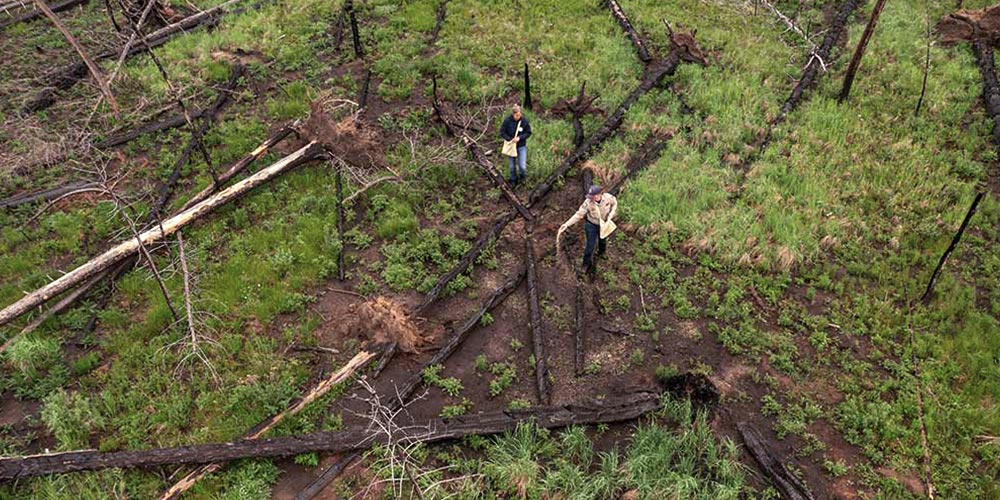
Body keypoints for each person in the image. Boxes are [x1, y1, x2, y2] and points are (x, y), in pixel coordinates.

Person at [557, 185, 617, 277]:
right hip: (591, 225)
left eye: (593, 196)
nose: (591, 198)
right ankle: (586, 264)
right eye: (590, 196)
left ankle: (602, 253)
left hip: (604, 224)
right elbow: (579, 215)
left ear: (599, 194)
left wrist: (611, 214)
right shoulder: (587, 203)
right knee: (590, 245)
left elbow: (615, 203)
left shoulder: (608, 198)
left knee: (603, 240)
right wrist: (567, 224)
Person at [499, 104, 532, 186]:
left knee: (522, 166)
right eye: (517, 115)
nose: (519, 116)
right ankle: (513, 180)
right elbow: (502, 132)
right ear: (513, 114)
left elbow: (528, 132)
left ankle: (523, 178)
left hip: (521, 146)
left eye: (520, 114)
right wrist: (510, 139)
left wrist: (520, 138)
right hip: (511, 146)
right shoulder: (507, 121)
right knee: (512, 166)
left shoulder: (524, 121)